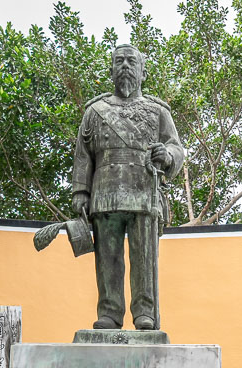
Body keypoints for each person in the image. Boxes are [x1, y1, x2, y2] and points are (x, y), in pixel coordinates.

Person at [70, 44, 185, 330]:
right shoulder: (95, 111)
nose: (125, 65)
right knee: (108, 259)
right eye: (118, 61)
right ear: (110, 70)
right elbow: (83, 156)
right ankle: (109, 312)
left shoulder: (158, 112)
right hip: (105, 193)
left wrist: (168, 156)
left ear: (143, 71)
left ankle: (145, 311)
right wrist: (80, 192)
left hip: (143, 192)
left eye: (131, 61)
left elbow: (176, 147)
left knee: (144, 259)